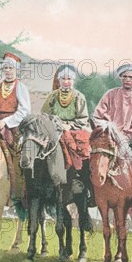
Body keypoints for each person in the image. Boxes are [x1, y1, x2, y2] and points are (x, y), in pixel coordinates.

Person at [93, 63, 132, 197]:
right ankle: (92, 191)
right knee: (93, 154)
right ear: (120, 78)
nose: (128, 79)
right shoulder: (110, 94)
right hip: (110, 136)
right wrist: (109, 128)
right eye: (125, 76)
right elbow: (97, 116)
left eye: (131, 77)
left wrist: (128, 134)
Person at [41, 64, 95, 206]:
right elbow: (44, 114)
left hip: (74, 129)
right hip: (54, 128)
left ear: (73, 81)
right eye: (63, 79)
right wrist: (54, 123)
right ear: (59, 80)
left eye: (69, 79)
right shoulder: (53, 96)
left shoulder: (79, 96)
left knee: (83, 151)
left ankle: (82, 181)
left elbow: (83, 118)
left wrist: (69, 125)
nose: (66, 82)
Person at [0, 52, 30, 203]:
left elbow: (24, 111)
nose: (8, 71)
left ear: (16, 70)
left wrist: (6, 122)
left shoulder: (21, 87)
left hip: (13, 126)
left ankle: (16, 192)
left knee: (16, 155)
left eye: (11, 68)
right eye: (6, 68)